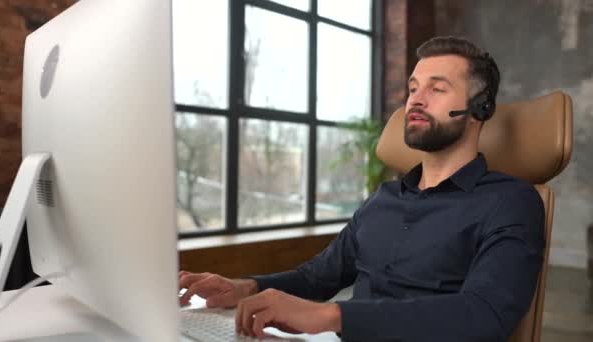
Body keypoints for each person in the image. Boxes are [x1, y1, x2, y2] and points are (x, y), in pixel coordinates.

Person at [178, 36, 545, 341]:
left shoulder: (511, 202)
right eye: (414, 88)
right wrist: (247, 288)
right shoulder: (383, 199)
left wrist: (333, 316)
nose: (415, 100)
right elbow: (316, 277)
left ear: (480, 108)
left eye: (437, 89)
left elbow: (483, 314)